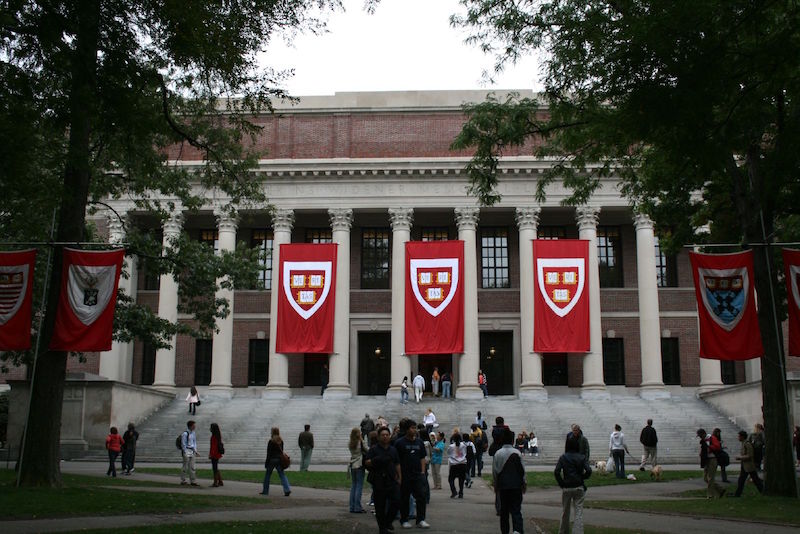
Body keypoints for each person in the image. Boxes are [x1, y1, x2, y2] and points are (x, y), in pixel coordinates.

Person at [394, 419, 430, 529]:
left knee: (421, 497)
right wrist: (399, 475)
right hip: (405, 475)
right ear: (406, 429)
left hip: (418, 475)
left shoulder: (419, 442)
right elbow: (397, 461)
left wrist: (423, 472)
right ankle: (404, 519)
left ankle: (421, 519)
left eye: (415, 428)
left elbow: (422, 458)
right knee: (404, 498)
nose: (414, 430)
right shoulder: (399, 443)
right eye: (412, 428)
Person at [365, 426, 402, 534]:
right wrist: (377, 460)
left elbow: (397, 464)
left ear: (390, 436)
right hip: (378, 480)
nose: (385, 437)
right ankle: (382, 529)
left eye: (387, 435)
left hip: (391, 480)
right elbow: (367, 462)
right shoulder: (374, 449)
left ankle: (387, 521)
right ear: (379, 437)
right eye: (383, 435)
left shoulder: (393, 449)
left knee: (397, 501)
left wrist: (400, 477)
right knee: (380, 506)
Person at [554, 434, 592, 534]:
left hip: (567, 486)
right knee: (578, 512)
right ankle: (578, 531)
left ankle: (563, 531)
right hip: (578, 486)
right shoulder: (581, 457)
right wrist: (582, 477)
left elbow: (557, 472)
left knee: (565, 512)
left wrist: (562, 483)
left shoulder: (563, 457)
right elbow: (588, 470)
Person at [494, 428, 527, 534]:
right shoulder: (517, 453)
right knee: (516, 510)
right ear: (513, 441)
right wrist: (524, 483)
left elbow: (495, 471)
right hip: (516, 485)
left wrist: (496, 485)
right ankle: (517, 530)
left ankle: (505, 531)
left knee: (504, 511)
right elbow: (522, 470)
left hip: (503, 486)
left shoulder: (498, 453)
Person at [697, 428, 726, 498]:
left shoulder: (712, 438)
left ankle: (710, 495)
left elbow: (718, 447)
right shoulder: (703, 440)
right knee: (705, 478)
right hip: (706, 460)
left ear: (703, 434)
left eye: (700, 435)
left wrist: (709, 448)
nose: (700, 437)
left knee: (710, 478)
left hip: (713, 459)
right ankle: (720, 489)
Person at [262, 427, 291, 496]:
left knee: (268, 475)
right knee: (282, 475)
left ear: (272, 432)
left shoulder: (271, 441)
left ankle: (265, 491)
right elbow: (281, 452)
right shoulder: (281, 441)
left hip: (272, 460)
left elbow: (269, 453)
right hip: (279, 460)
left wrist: (267, 462)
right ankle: (287, 489)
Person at [733, 430, 764, 497]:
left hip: (749, 466)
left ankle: (763, 491)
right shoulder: (743, 444)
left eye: (739, 436)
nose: (738, 438)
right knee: (742, 480)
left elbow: (750, 455)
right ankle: (737, 494)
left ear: (742, 437)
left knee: (755, 480)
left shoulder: (747, 444)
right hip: (745, 466)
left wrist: (740, 458)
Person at [348, 426, 368, 513]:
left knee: (353, 485)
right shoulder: (359, 442)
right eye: (359, 432)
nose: (360, 433)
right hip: (359, 464)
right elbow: (367, 449)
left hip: (352, 464)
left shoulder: (350, 443)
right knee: (359, 486)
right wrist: (362, 439)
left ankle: (352, 506)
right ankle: (357, 507)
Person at [447, 431, 468, 498]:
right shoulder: (464, 445)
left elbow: (449, 453)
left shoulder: (451, 446)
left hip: (454, 464)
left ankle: (454, 491)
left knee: (451, 479)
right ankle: (461, 492)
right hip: (462, 463)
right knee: (461, 479)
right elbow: (465, 453)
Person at [180, 420, 198, 486]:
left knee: (192, 466)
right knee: (185, 466)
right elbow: (183, 444)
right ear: (190, 426)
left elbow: (194, 442)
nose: (195, 426)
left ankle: (193, 481)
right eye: (194, 425)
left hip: (192, 450)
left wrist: (195, 450)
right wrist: (185, 451)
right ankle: (183, 480)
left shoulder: (193, 433)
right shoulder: (185, 434)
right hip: (187, 450)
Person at [209, 422, 224, 487]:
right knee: (216, 467)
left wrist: (211, 454)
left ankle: (215, 482)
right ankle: (220, 481)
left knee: (214, 468)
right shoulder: (218, 435)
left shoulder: (214, 436)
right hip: (217, 454)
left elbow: (213, 447)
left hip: (214, 454)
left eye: (211, 427)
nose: (210, 429)